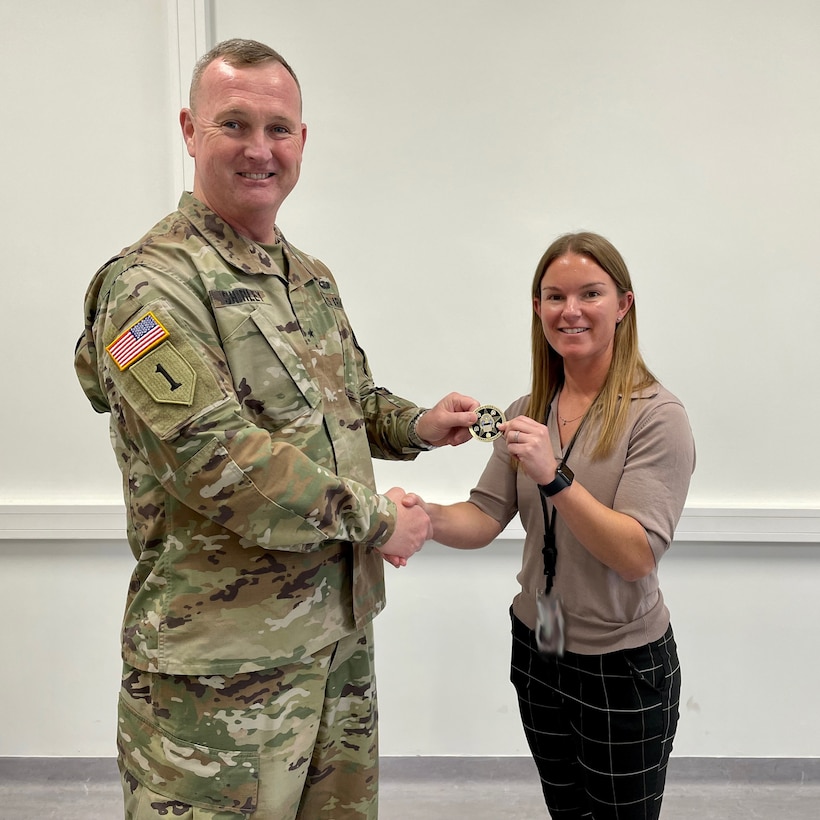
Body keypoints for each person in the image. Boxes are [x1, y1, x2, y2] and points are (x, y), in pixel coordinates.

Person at [73, 38, 478, 820]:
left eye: (279, 128)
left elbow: (348, 404)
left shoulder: (309, 277)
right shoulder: (148, 288)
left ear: (302, 140)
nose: (260, 149)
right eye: (234, 125)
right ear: (190, 130)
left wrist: (418, 425)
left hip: (337, 642)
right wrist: (379, 520)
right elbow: (220, 459)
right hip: (223, 671)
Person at [405, 232, 695, 819]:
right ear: (537, 309)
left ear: (624, 304)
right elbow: (485, 515)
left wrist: (554, 475)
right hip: (542, 644)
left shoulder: (658, 418)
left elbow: (637, 554)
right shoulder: (525, 410)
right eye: (554, 296)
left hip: (622, 664)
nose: (571, 311)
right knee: (567, 812)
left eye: (590, 293)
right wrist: (419, 519)